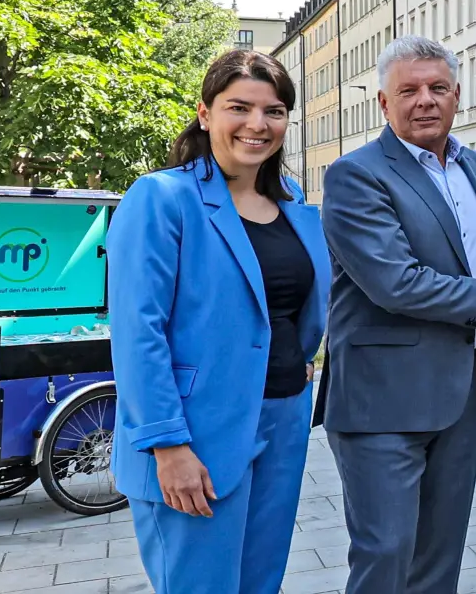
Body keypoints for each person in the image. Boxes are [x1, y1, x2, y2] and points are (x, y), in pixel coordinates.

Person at [317, 36, 476, 594]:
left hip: (458, 393)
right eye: (410, 90)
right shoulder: (356, 175)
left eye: (437, 88)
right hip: (383, 404)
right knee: (385, 556)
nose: (425, 100)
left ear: (458, 96)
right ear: (383, 103)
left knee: (440, 559)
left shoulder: (472, 165)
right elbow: (394, 283)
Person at [108, 49, 328, 594]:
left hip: (280, 418)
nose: (258, 124)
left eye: (274, 111)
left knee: (261, 583)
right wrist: (168, 445)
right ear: (206, 114)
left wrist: (299, 361)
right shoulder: (162, 197)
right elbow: (139, 333)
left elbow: (293, 305)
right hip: (195, 433)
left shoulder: (290, 199)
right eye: (240, 108)